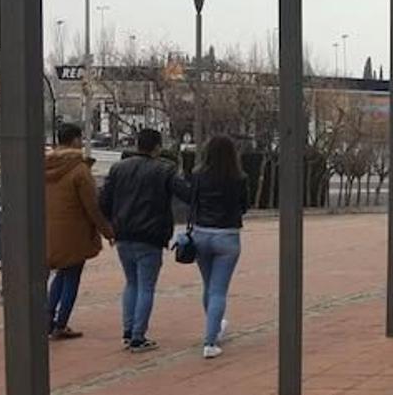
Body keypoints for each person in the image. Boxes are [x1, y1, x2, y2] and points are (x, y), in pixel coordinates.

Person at [99, 128, 187, 352]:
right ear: (157, 147)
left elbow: (104, 201)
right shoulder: (165, 170)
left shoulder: (118, 168)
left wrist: (112, 224)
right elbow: (185, 194)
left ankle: (128, 331)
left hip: (124, 234)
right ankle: (138, 335)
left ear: (137, 144)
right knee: (146, 286)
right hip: (150, 235)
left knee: (131, 283)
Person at [44, 124, 114, 339]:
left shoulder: (43, 165)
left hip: (49, 231)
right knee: (71, 276)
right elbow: (92, 206)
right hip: (75, 232)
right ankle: (61, 323)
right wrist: (107, 231)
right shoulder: (79, 170)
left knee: (60, 275)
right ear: (75, 140)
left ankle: (47, 319)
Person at [188, 135, 249, 359]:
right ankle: (210, 340)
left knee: (208, 285)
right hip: (227, 236)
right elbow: (244, 206)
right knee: (219, 289)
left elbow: (192, 202)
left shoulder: (197, 175)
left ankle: (213, 327)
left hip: (201, 233)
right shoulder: (239, 177)